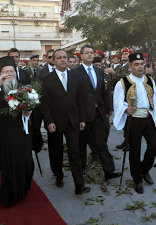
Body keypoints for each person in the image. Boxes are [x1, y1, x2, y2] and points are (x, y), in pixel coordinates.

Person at [0, 56, 34, 206]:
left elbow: (31, 106)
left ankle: (23, 189)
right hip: (4, 134)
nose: (10, 74)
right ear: (0, 74)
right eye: (6, 72)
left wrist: (28, 112)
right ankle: (10, 196)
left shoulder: (23, 88)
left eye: (12, 71)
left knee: (25, 162)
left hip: (22, 133)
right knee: (9, 166)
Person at [113, 53, 156, 194]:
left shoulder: (149, 80)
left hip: (148, 117)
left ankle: (144, 170)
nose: (140, 67)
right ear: (130, 66)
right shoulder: (123, 82)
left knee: (154, 146)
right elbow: (117, 102)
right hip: (133, 120)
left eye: (141, 64)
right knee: (134, 151)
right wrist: (125, 109)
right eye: (136, 64)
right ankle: (137, 180)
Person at [41, 49, 90, 194]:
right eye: (59, 58)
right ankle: (58, 175)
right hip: (55, 122)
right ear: (54, 61)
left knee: (74, 152)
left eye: (65, 57)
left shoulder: (75, 77)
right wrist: (48, 121)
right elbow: (44, 103)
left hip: (73, 121)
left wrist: (81, 119)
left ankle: (79, 184)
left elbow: (80, 100)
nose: (63, 60)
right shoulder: (46, 78)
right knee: (56, 152)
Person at [69, 44, 121, 179]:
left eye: (91, 52)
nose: (90, 55)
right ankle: (80, 169)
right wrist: (77, 116)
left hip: (98, 113)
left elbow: (103, 92)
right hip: (83, 115)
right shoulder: (74, 73)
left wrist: (108, 108)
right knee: (81, 144)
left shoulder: (99, 71)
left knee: (101, 143)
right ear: (81, 55)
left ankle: (109, 170)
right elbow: (72, 96)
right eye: (87, 53)